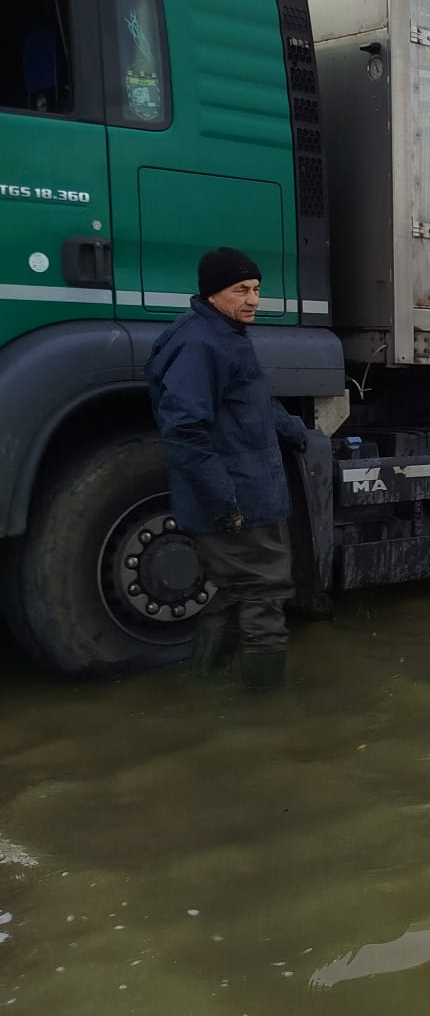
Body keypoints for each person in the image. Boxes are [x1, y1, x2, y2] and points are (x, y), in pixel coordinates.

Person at [145, 248, 310, 691]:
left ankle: (208, 690)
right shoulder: (201, 344)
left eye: (256, 289)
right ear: (213, 294)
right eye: (241, 290)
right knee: (264, 594)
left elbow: (248, 399)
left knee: (236, 591)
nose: (253, 299)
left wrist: (294, 430)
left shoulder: (223, 335)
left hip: (247, 491)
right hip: (239, 499)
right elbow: (184, 431)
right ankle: (265, 707)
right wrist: (223, 502)